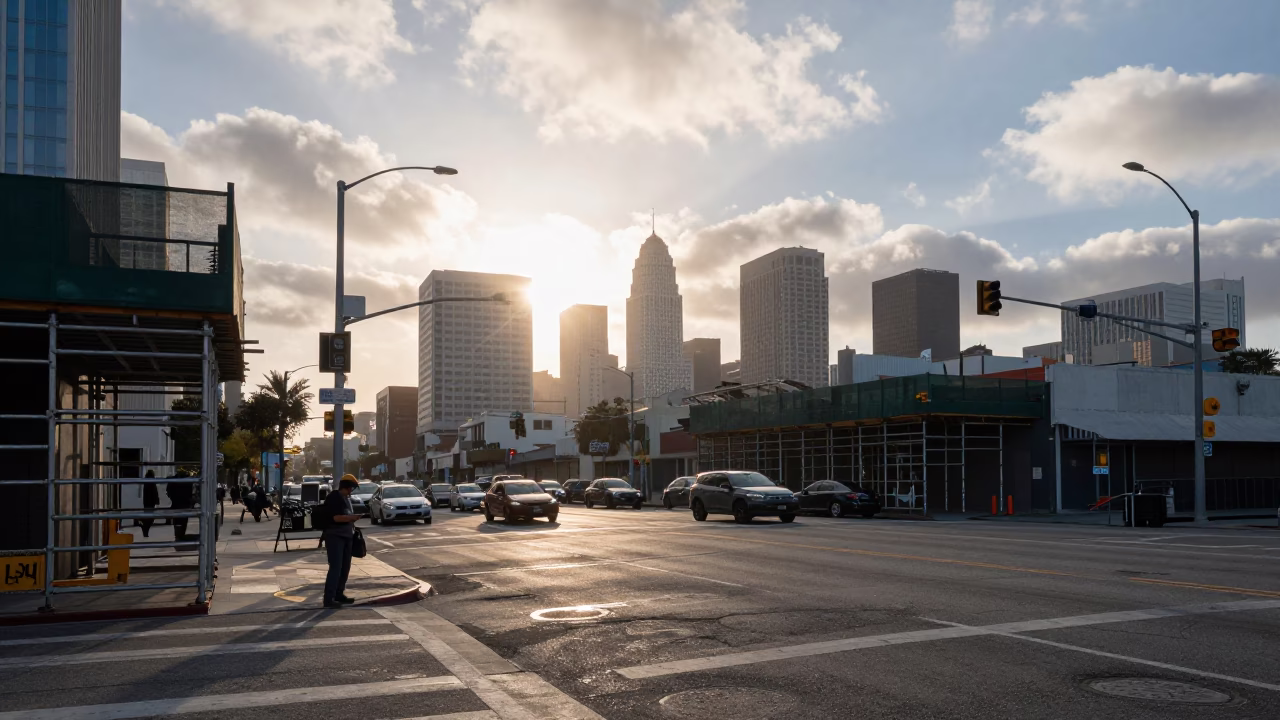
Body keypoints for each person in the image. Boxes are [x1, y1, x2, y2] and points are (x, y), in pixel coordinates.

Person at [321, 475, 363, 609]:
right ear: (346, 486)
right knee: (336, 567)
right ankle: (329, 598)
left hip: (347, 536)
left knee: (345, 567)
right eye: (351, 488)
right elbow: (336, 518)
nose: (352, 491)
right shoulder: (334, 498)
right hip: (335, 537)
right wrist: (351, 518)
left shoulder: (346, 499)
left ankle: (339, 593)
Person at [167, 469, 195, 542]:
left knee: (177, 521)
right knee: (184, 520)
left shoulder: (173, 481)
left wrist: (172, 497)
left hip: (176, 503)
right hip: (185, 503)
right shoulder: (188, 482)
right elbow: (191, 493)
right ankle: (181, 535)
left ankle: (177, 536)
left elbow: (169, 491)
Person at [139, 470, 159, 538]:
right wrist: (157, 501)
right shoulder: (151, 482)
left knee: (148, 517)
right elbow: (154, 492)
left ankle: (145, 529)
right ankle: (145, 528)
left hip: (147, 502)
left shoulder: (146, 482)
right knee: (150, 518)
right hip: (151, 502)